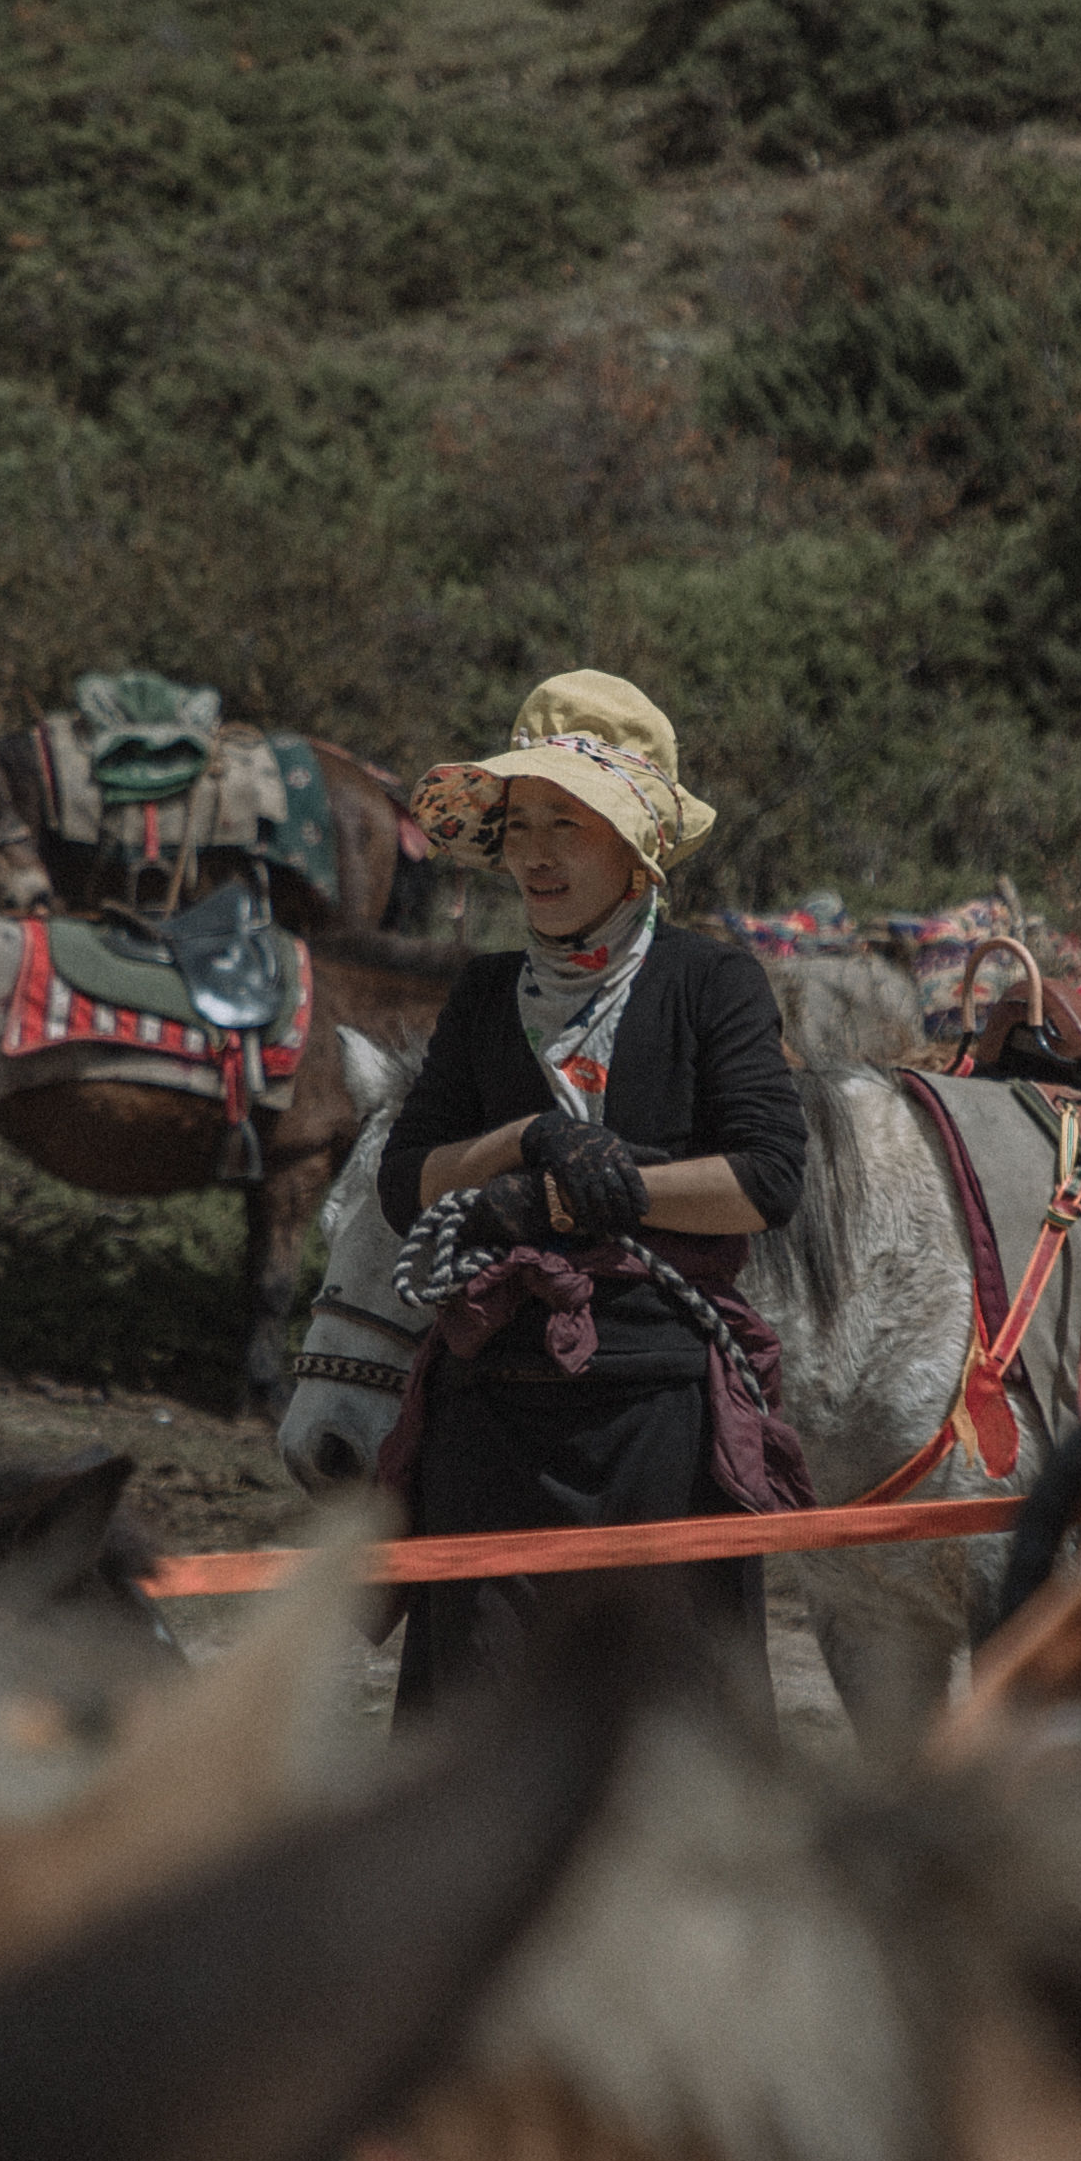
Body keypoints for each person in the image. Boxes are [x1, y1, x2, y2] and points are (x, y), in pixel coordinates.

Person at [373, 673, 809, 1721]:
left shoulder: (713, 983)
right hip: (492, 1400)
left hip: (657, 1402)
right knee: (477, 1724)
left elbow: (764, 1179)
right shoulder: (484, 994)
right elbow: (404, 1183)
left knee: (660, 1726)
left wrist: (591, 1197)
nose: (534, 853)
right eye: (520, 824)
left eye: (568, 822)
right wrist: (525, 1140)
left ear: (638, 844)